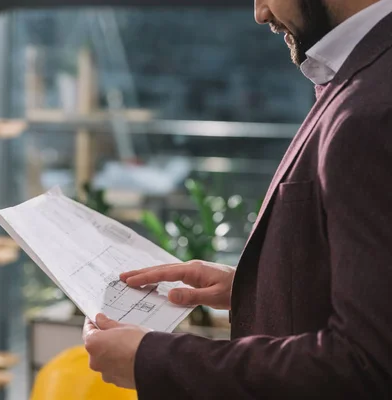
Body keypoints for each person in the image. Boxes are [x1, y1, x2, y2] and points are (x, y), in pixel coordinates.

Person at [82, 0, 392, 398]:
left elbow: (365, 365)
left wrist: (153, 361)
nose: (260, 12)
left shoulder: (373, 110)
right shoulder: (367, 78)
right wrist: (259, 288)